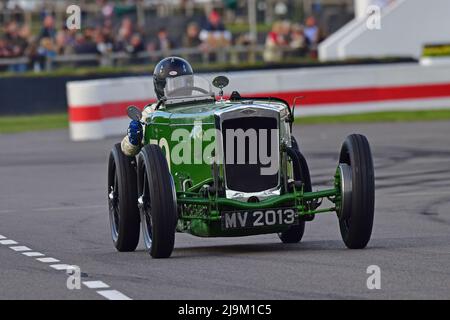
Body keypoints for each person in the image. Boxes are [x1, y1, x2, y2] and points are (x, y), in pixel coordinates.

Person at [121, 57, 194, 157]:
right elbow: (127, 150)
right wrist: (133, 140)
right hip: (162, 168)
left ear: (189, 83)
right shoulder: (151, 112)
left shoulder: (200, 107)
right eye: (170, 85)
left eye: (180, 84)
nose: (175, 89)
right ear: (160, 86)